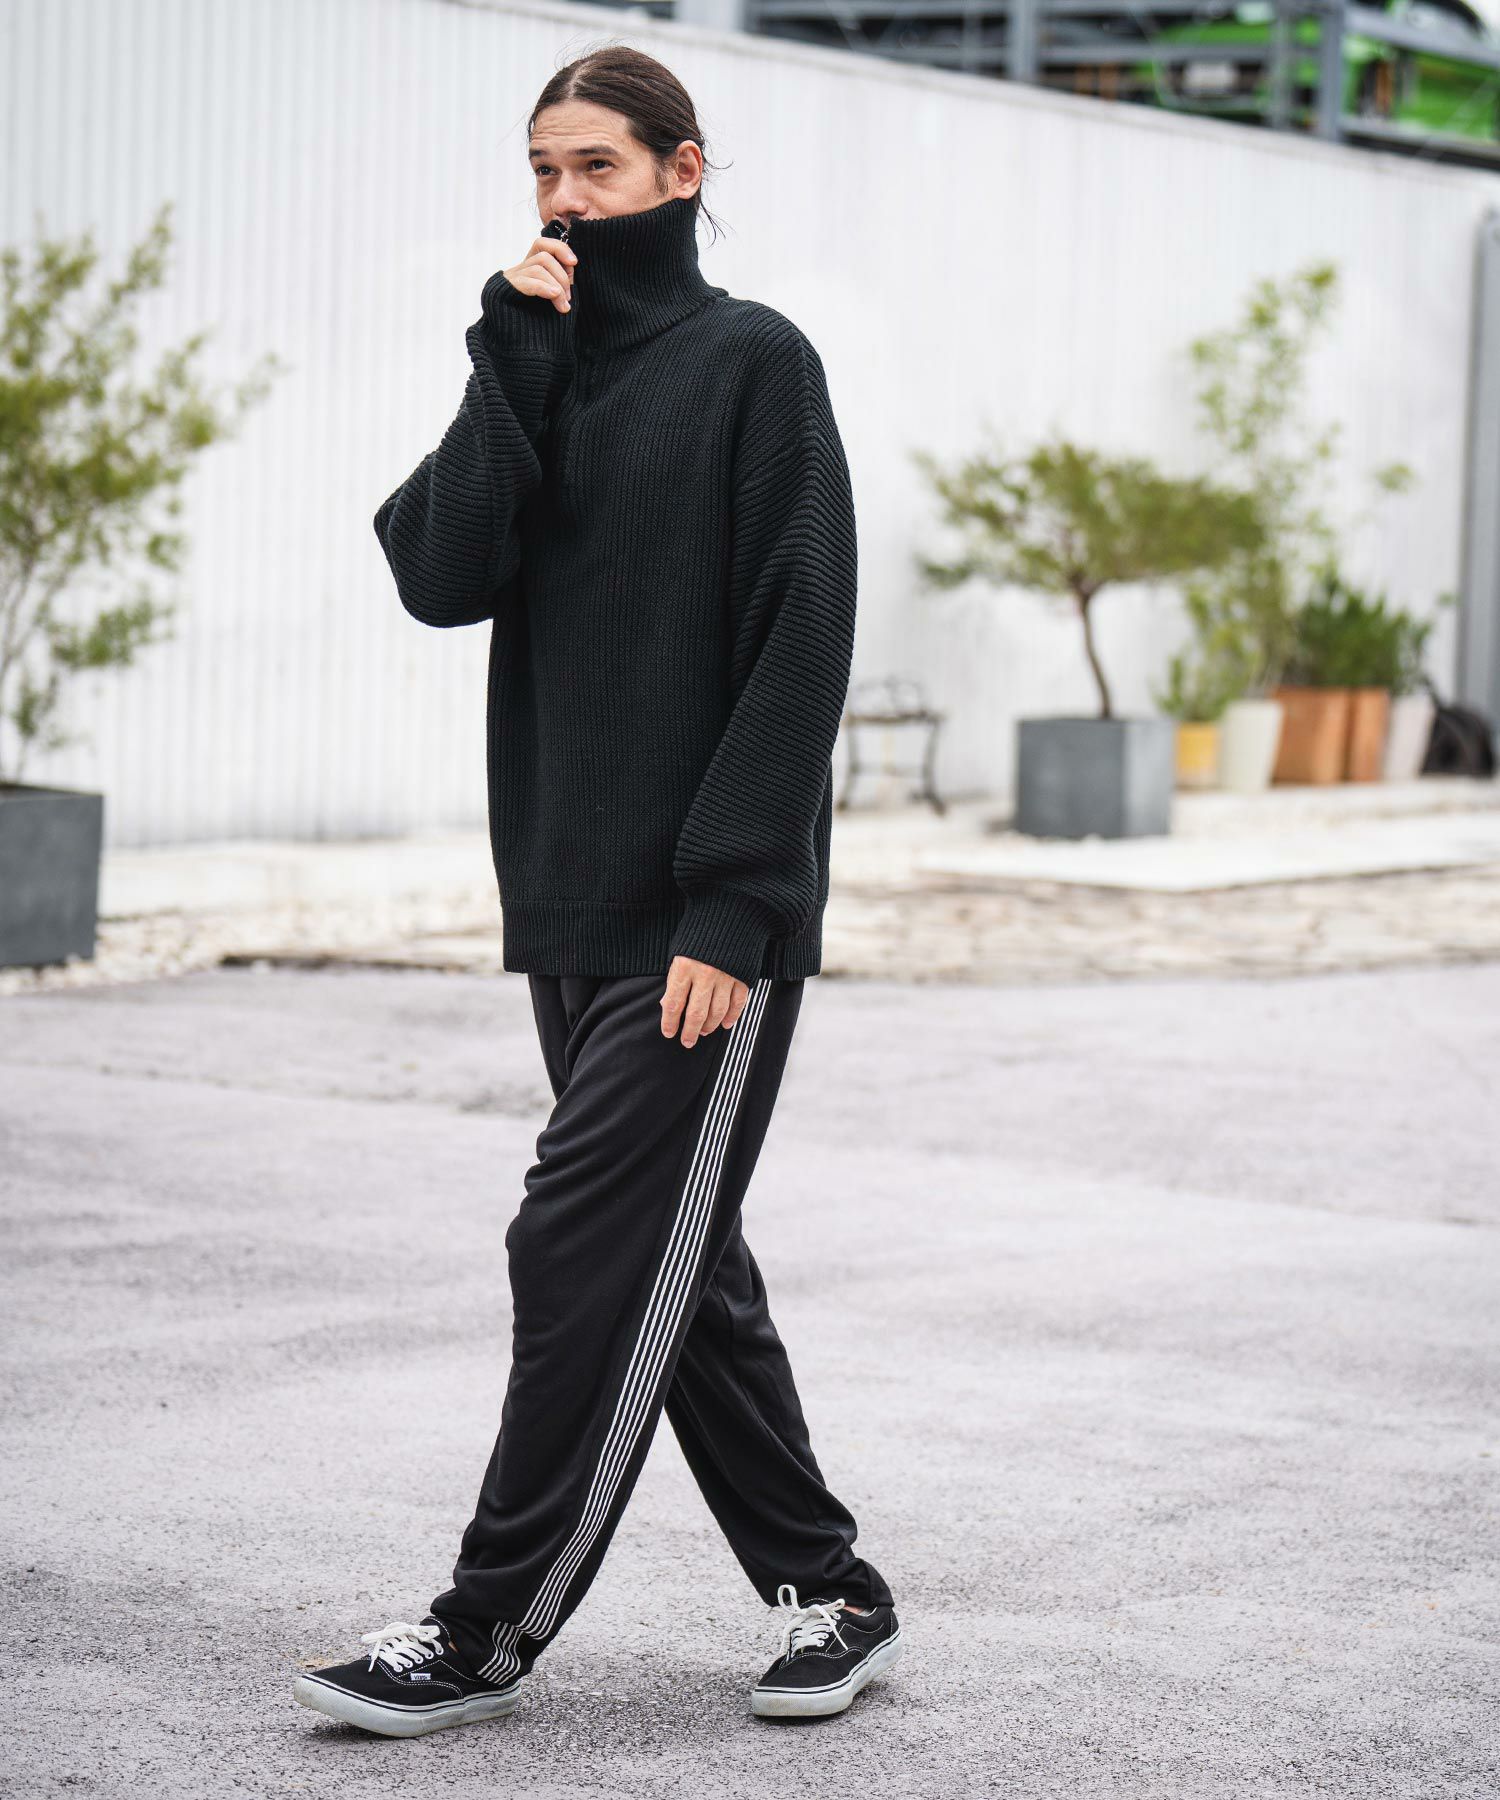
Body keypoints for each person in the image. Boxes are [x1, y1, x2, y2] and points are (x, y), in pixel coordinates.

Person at [292, 44, 899, 1738]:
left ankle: (485, 1626)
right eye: (544, 170)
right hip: (564, 898)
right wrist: (511, 353)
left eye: (599, 169)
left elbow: (803, 633)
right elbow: (438, 571)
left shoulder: (755, 363)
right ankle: (832, 1589)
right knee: (675, 1270)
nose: (566, 200)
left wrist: (735, 904)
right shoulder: (537, 370)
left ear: (682, 173)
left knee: (577, 1244)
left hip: (703, 924)